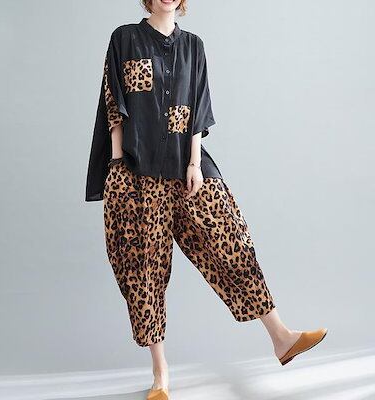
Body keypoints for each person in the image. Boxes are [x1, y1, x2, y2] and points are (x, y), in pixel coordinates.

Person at [85, 1, 328, 399]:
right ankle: (160, 374)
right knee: (144, 272)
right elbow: (115, 104)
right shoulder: (125, 38)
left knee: (230, 240)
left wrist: (195, 163)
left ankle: (281, 337)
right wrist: (117, 167)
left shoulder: (194, 46)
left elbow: (198, 108)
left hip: (186, 167)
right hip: (136, 172)